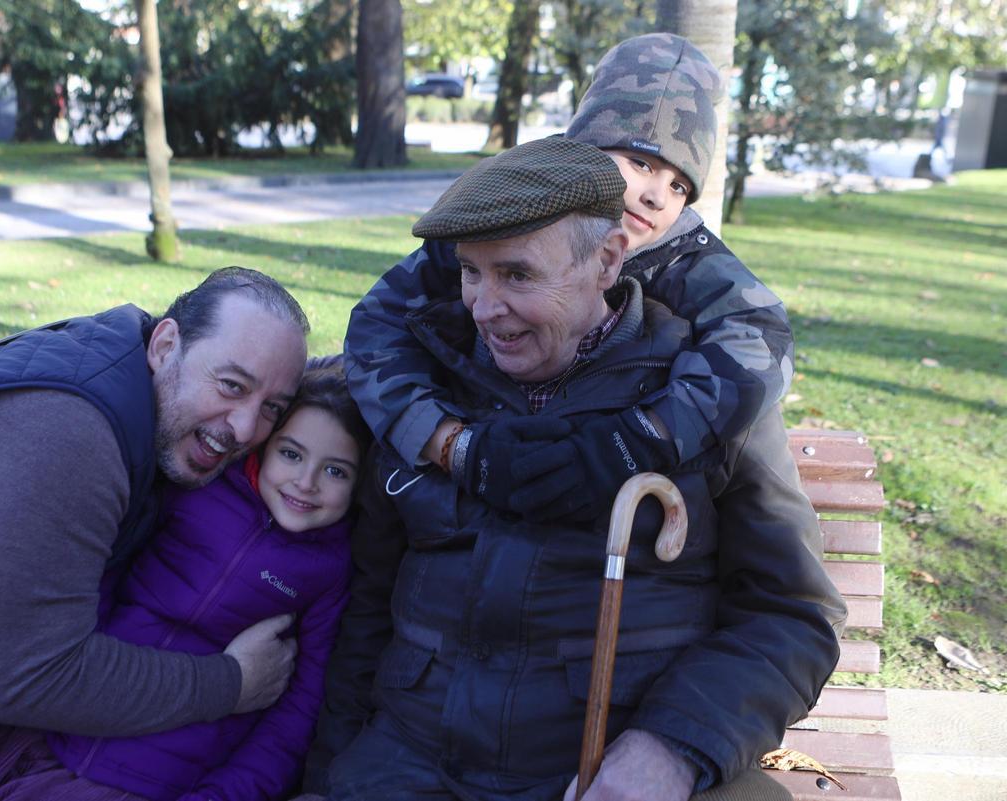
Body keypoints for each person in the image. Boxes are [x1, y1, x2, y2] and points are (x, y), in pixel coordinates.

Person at [300, 137, 845, 801]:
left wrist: (673, 746)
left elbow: (789, 616)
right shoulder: (428, 382)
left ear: (607, 259)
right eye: (471, 271)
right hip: (413, 764)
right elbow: (367, 604)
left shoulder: (707, 395)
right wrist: (328, 776)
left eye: (518, 275)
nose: (484, 307)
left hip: (607, 768)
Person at [0, 267, 310, 800]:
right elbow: (30, 681)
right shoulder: (67, 438)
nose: (246, 429)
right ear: (165, 345)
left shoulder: (131, 373)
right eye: (232, 385)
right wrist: (231, 683)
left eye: (272, 409)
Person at [343, 33, 793, 525]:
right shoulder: (503, 217)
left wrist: (643, 436)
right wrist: (445, 440)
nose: (656, 196)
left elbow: (761, 340)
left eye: (679, 185)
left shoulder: (684, 255)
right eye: (640, 162)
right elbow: (375, 324)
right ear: (583, 150)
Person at [0, 356, 372, 801]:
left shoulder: (329, 570)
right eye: (291, 454)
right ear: (263, 449)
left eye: (335, 471)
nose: (306, 482)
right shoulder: (198, 491)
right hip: (56, 729)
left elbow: (296, 715)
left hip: (153, 778)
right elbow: (101, 580)